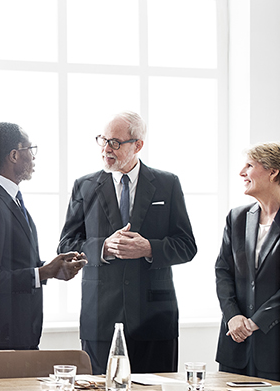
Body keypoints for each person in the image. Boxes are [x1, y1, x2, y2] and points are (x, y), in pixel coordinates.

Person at [57, 111, 198, 375]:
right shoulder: (84, 186)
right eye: (103, 140)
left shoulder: (168, 184)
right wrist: (103, 247)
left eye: (115, 143)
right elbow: (66, 244)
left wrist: (149, 248)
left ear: (138, 145)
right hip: (100, 317)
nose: (106, 149)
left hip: (155, 319)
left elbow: (187, 245)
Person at [0, 122, 83, 351]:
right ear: (14, 155)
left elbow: (15, 263)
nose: (33, 157)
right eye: (30, 150)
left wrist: (52, 269)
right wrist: (43, 272)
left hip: (20, 332)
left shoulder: (11, 198)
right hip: (3, 337)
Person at [215, 143, 280, 387]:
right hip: (236, 345)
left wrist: (255, 322)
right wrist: (232, 316)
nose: (242, 172)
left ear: (273, 172)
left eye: (249, 166)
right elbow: (223, 271)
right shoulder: (236, 218)